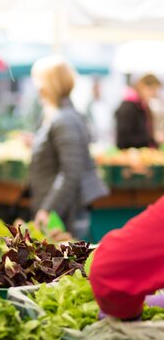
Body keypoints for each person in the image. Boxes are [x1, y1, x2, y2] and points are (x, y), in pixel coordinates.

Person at [29, 56, 108, 239]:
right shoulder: (59, 116)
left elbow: (71, 172)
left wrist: (47, 209)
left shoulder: (63, 120)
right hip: (61, 211)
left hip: (65, 215)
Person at [115, 74, 161, 149]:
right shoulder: (128, 107)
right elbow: (124, 139)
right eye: (152, 90)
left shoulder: (142, 106)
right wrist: (152, 139)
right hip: (129, 156)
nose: (154, 94)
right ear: (142, 86)